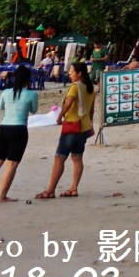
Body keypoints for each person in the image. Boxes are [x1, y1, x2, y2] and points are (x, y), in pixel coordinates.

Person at [36, 65, 94, 199]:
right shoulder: (90, 89)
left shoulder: (75, 87)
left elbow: (68, 103)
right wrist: (89, 123)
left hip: (73, 125)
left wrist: (59, 116)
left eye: (72, 72)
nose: (70, 74)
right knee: (77, 157)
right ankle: (74, 188)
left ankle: (50, 190)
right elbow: (91, 110)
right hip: (84, 127)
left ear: (79, 73)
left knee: (60, 157)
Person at [0, 66, 37, 203]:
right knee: (11, 164)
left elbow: (1, 107)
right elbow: (34, 110)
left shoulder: (6, 92)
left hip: (4, 127)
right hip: (19, 129)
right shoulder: (31, 94)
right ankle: (2, 196)